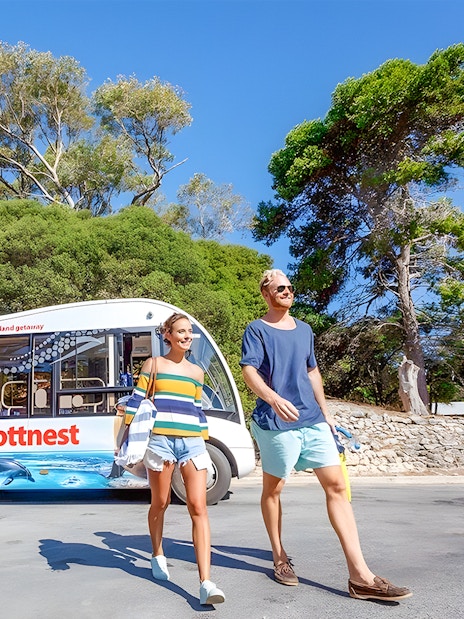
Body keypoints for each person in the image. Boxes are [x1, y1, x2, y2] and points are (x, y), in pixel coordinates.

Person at [240, 269, 412, 602]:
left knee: (337, 487)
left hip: (313, 420)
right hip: (276, 423)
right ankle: (279, 557)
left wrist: (327, 415)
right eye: (280, 288)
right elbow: (249, 370)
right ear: (265, 293)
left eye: (290, 287)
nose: (287, 292)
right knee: (273, 491)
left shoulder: (304, 330)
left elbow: (312, 371)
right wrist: (273, 399)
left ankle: (360, 576)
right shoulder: (257, 330)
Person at [123, 312, 225, 606]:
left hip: (192, 442)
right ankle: (157, 553)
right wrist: (128, 432)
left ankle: (206, 583)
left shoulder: (197, 373)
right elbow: (136, 398)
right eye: (181, 331)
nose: (186, 336)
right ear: (167, 334)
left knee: (198, 507)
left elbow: (197, 408)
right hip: (161, 441)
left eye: (189, 332)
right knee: (161, 502)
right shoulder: (154, 365)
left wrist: (202, 440)